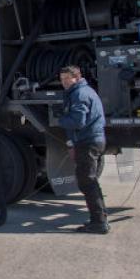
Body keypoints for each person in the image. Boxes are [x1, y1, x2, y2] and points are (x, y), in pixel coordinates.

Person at [57, 64, 109, 234]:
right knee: (91, 180)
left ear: (77, 78)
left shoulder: (79, 94)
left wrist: (61, 119)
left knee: (87, 182)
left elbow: (78, 121)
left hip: (88, 141)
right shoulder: (85, 91)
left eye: (67, 79)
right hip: (93, 140)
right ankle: (100, 218)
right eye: (62, 79)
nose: (64, 82)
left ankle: (99, 223)